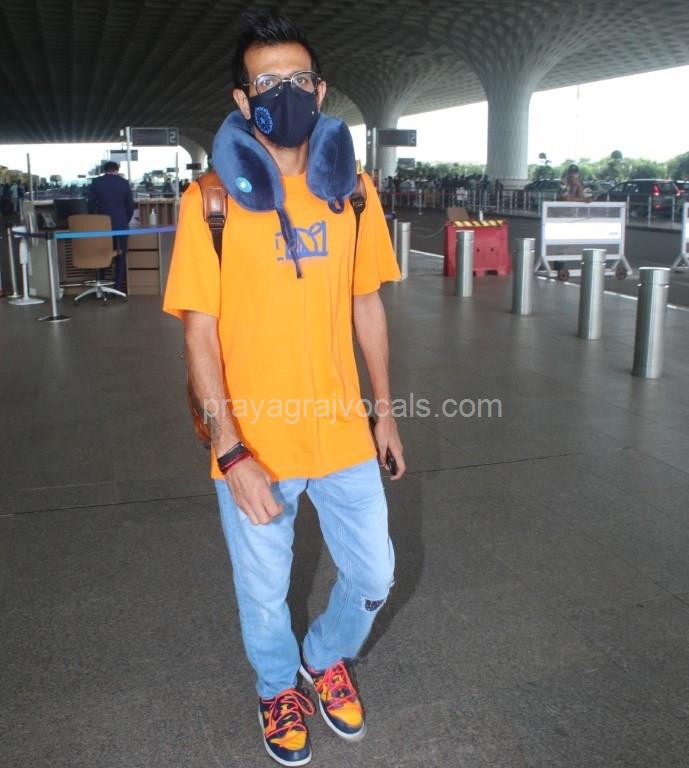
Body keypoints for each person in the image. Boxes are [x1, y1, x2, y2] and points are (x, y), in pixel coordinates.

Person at [163, 11, 405, 767]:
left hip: (341, 433)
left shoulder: (353, 192)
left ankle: (323, 656)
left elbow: (366, 302)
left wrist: (385, 414)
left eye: (299, 79)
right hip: (256, 442)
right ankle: (276, 689)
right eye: (268, 83)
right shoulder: (209, 200)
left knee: (374, 572)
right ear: (243, 101)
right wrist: (231, 450)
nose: (286, 93)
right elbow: (199, 333)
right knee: (263, 591)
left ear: (321, 90)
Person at [87, 161, 134, 293]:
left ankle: (100, 286)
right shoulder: (124, 183)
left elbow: (90, 204)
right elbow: (130, 206)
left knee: (101, 254)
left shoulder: (96, 182)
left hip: (101, 225)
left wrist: (94, 219)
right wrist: (125, 220)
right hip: (121, 224)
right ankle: (118, 287)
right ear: (117, 170)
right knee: (120, 255)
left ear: (104, 170)